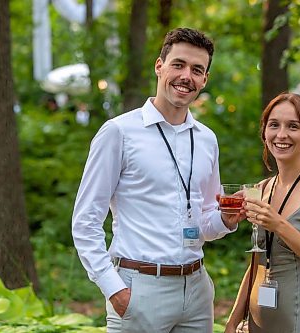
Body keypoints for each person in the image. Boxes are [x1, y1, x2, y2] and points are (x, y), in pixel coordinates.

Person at [72, 27, 243, 333]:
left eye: (197, 70)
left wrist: (227, 220)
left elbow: (204, 222)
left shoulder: (207, 139)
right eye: (178, 64)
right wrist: (114, 289)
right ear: (159, 65)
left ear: (204, 80)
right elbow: (85, 222)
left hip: (197, 291)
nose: (186, 76)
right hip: (139, 291)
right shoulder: (119, 132)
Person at [224, 92, 300, 333]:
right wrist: (232, 322)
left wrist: (280, 225)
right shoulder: (262, 188)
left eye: (293, 126)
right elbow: (257, 264)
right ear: (264, 133)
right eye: (274, 125)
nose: (281, 135)